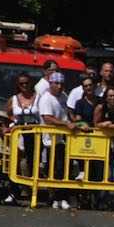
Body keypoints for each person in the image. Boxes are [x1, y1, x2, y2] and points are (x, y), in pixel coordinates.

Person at [38, 71, 76, 210]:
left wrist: (74, 121)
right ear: (50, 83)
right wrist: (65, 124)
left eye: (61, 84)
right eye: (56, 83)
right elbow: (47, 118)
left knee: (65, 169)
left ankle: (63, 197)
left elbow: (67, 113)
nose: (59, 86)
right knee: (54, 169)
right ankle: (54, 197)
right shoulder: (46, 98)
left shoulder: (63, 96)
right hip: (51, 140)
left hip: (64, 139)